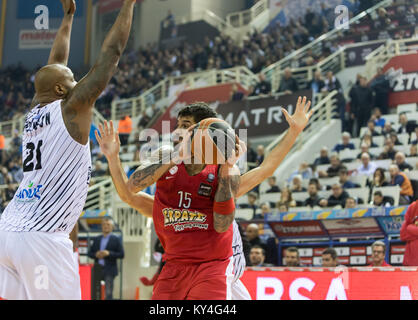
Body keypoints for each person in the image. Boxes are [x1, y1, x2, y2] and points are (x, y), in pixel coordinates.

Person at [0, 0, 136, 300]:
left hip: (7, 235)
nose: (78, 82)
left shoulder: (34, 111)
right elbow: (111, 54)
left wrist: (67, 18)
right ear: (62, 91)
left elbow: (55, 65)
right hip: (42, 239)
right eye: (73, 81)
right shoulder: (71, 107)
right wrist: (128, 3)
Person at [97, 97, 313, 300]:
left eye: (186, 125)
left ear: (203, 132)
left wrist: (294, 131)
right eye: (178, 125)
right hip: (175, 264)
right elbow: (129, 190)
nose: (178, 130)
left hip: (215, 262)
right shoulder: (166, 156)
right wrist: (113, 157)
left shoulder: (222, 168)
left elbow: (264, 169)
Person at [88, 217, 124, 300]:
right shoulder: (97, 239)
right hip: (97, 269)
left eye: (108, 224)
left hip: (110, 270)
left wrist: (109, 253)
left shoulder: (116, 239)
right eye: (104, 224)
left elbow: (121, 254)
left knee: (108, 293)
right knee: (95, 292)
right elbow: (90, 253)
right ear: (101, 226)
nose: (106, 226)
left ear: (112, 227)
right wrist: (95, 254)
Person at [400, 201, 418, 266]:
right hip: (411, 263)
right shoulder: (414, 206)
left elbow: (408, 229)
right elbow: (403, 234)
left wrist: (410, 228)